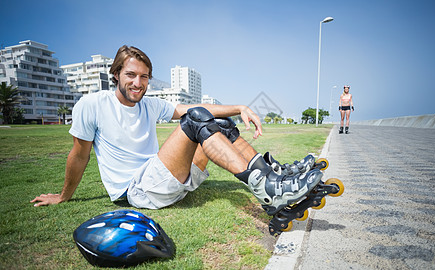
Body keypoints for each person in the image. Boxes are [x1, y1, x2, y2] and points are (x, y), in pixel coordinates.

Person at [31, 45, 323, 216]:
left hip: (170, 181)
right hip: (139, 191)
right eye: (130, 75)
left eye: (144, 77)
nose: (138, 83)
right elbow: (79, 155)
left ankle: (275, 176)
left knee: (217, 122)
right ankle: (267, 190)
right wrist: (63, 195)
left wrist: (240, 107)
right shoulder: (91, 104)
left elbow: (192, 107)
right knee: (197, 119)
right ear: (116, 74)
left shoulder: (149, 104)